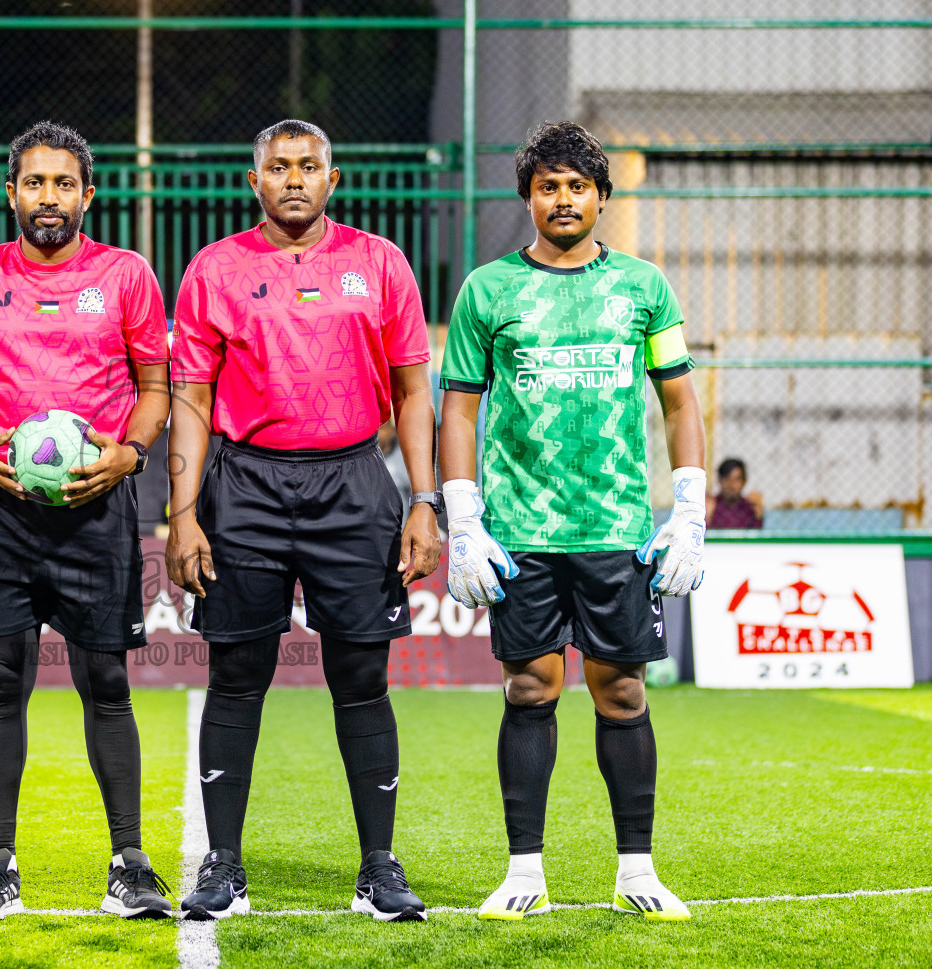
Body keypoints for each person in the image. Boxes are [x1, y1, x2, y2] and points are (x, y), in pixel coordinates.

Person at [168, 119, 441, 923]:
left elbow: (415, 391)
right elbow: (189, 398)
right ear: (254, 180)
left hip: (355, 482)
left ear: (333, 178)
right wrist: (182, 515)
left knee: (361, 681)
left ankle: (379, 868)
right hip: (245, 487)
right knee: (236, 678)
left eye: (309, 165)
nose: (293, 178)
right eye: (278, 166)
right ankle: (223, 866)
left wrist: (423, 500)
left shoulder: (380, 263)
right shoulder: (215, 269)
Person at [438, 121, 704, 923]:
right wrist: (461, 517)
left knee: (621, 691)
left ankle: (637, 870)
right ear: (527, 197)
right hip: (521, 533)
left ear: (600, 197)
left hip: (617, 530)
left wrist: (687, 509)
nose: (563, 198)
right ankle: (525, 871)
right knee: (530, 687)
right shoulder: (487, 290)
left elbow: (679, 397)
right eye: (548, 185)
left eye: (577, 185)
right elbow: (458, 408)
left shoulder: (644, 287)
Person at [0, 121, 174, 920]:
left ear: (87, 195)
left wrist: (130, 457)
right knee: (3, 685)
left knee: (107, 683)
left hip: (97, 508)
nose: (48, 198)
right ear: (11, 193)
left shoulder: (126, 275)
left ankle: (130, 862)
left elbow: (156, 387)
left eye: (63, 184)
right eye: (34, 183)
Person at [708, 457, 764, 529]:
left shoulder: (749, 508)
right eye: (727, 479)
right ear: (720, 480)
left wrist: (759, 515)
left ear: (744, 481)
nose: (732, 485)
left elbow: (756, 536)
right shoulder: (712, 506)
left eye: (737, 479)